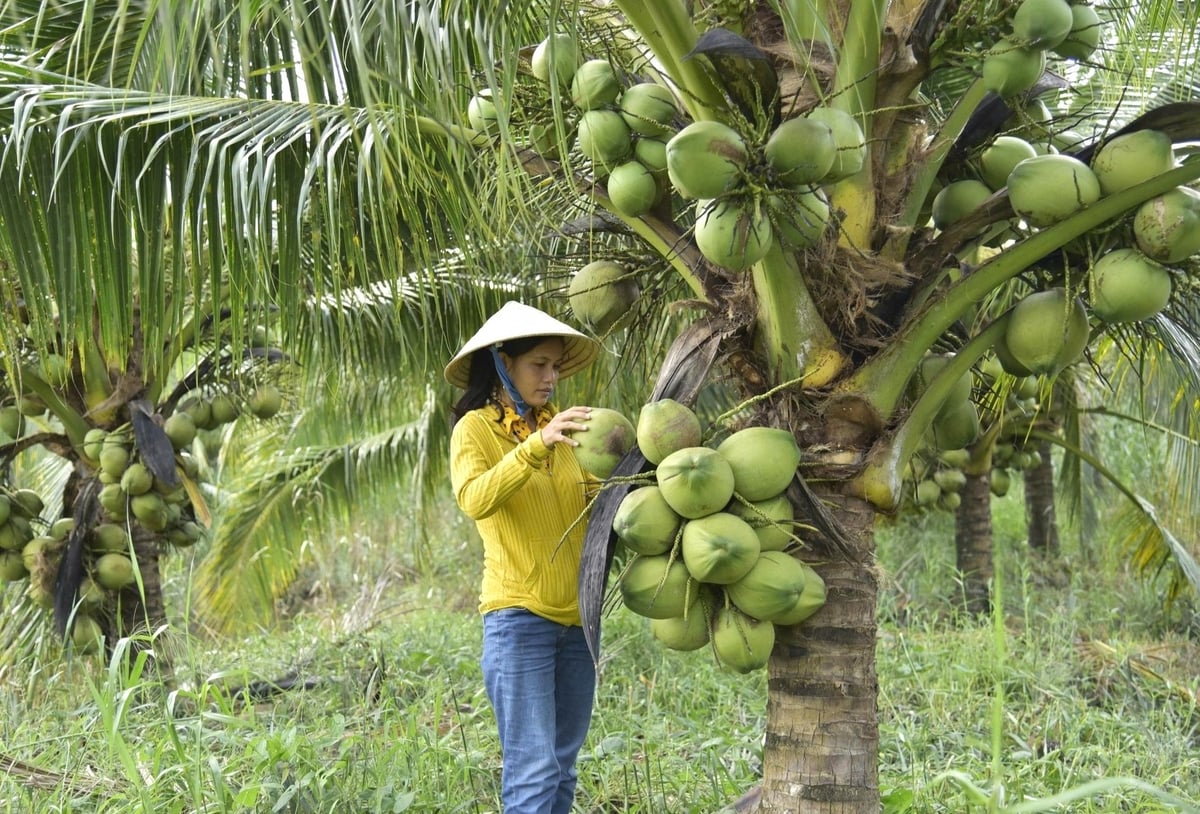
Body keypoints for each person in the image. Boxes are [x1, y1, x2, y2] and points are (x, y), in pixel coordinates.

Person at [445, 300, 603, 814]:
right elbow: (475, 498)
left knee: (562, 766)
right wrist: (536, 446)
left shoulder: (566, 431)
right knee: (533, 770)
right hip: (519, 620)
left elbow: (594, 504)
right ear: (501, 363)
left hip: (579, 621)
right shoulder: (476, 430)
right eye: (539, 364)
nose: (552, 377)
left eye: (556, 365)